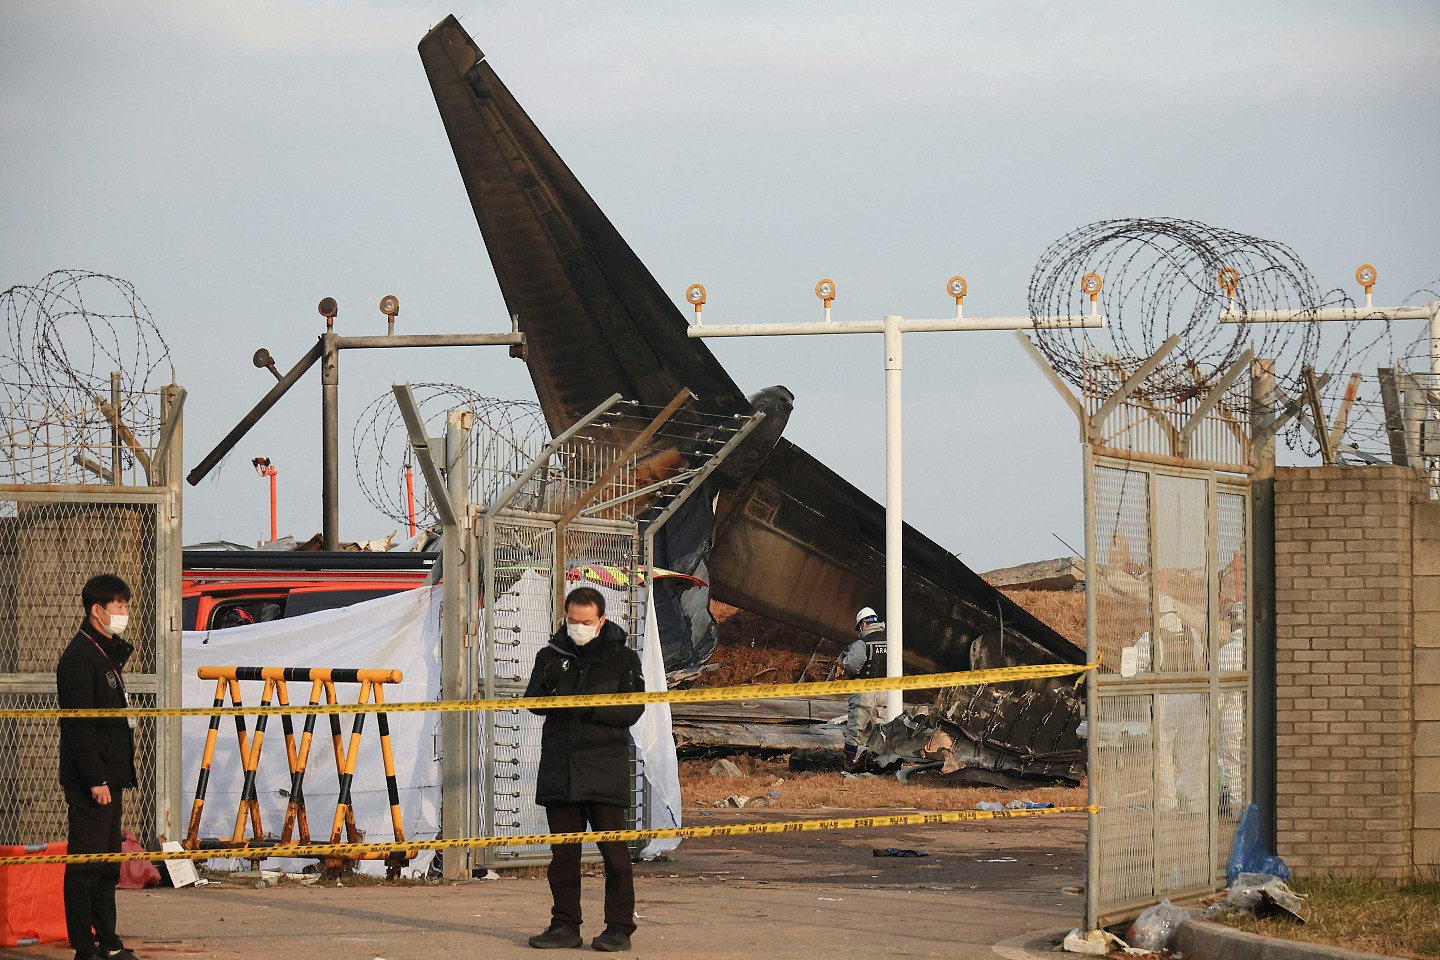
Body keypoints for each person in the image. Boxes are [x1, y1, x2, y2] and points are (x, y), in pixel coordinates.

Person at [523, 586, 645, 952]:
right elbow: (533, 702)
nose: (579, 627)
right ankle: (564, 925)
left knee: (616, 858)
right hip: (561, 770)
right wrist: (549, 687)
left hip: (604, 769)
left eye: (586, 622)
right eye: (573, 621)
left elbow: (633, 709)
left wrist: (589, 707)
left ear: (601, 619)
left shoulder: (622, 658)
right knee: (563, 858)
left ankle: (619, 928)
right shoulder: (551, 654)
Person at [56, 574, 141, 960]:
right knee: (86, 864)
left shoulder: (105, 653)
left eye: (125, 604)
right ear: (97, 610)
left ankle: (108, 940)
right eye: (118, 605)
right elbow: (79, 725)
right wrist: (96, 779)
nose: (124, 612)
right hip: (93, 780)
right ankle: (84, 946)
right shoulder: (78, 657)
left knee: (108, 864)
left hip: (112, 776)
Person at [840, 606, 887, 771]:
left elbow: (852, 665)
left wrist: (843, 660)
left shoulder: (862, 643)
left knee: (855, 728)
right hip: (887, 691)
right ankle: (880, 764)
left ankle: (849, 764)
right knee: (882, 728)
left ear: (863, 625)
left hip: (864, 691)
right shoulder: (891, 639)